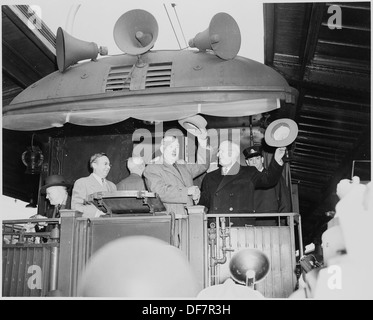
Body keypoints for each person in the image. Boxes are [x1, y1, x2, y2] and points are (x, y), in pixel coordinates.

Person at [199, 140, 286, 225]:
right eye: (218, 152)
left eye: (221, 151)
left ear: (232, 154)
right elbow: (203, 205)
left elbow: (269, 179)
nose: (218, 155)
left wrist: (277, 159)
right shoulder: (209, 177)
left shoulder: (249, 172)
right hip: (215, 227)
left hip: (241, 227)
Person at [143, 133, 210, 217]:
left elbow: (202, 165)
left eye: (177, 147)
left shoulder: (183, 166)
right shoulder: (152, 168)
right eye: (171, 147)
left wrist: (202, 142)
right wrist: (187, 191)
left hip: (190, 217)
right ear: (162, 149)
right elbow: (159, 192)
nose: (174, 150)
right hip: (171, 219)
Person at [243, 145, 291, 214]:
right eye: (251, 160)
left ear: (262, 160)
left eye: (257, 158)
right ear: (247, 162)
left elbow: (284, 200)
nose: (254, 162)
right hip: (249, 221)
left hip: (269, 221)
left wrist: (282, 221)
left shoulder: (274, 175)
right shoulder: (244, 179)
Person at [71, 152, 117, 218]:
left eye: (109, 165)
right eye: (105, 164)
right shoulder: (82, 183)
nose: (108, 167)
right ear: (94, 165)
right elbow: (76, 207)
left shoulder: (113, 186)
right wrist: (96, 213)